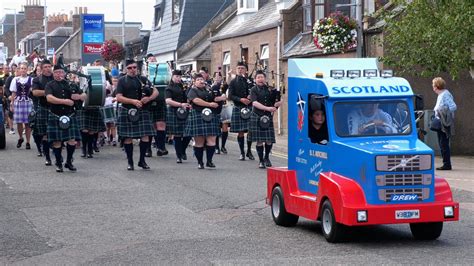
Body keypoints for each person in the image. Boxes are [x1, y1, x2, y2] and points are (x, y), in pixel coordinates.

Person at [116, 59, 158, 170]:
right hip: (128, 110)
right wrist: (133, 101)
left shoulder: (143, 79)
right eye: (130, 68)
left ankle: (142, 160)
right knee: (128, 137)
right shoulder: (121, 81)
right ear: (126, 69)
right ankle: (130, 162)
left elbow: (156, 91)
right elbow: (119, 97)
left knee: (145, 136)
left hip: (143, 111)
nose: (132, 70)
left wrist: (148, 98)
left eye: (134, 67)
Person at [45, 65, 85, 172]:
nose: (59, 74)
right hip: (56, 115)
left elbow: (83, 94)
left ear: (64, 73)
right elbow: (49, 98)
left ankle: (68, 162)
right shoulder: (50, 85)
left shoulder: (71, 84)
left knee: (72, 141)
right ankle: (58, 163)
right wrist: (64, 101)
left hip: (70, 115)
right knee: (57, 142)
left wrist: (81, 97)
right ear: (53, 74)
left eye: (61, 72)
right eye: (57, 72)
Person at [184, 73, 220, 169]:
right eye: (198, 79)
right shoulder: (192, 90)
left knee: (212, 140)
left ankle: (209, 161)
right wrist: (210, 104)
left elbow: (215, 98)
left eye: (202, 79)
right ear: (194, 82)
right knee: (199, 142)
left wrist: (221, 97)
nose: (201, 81)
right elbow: (195, 100)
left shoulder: (208, 89)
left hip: (210, 116)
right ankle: (200, 162)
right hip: (198, 115)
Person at [248, 70, 282, 168]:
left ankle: (266, 157)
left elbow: (275, 101)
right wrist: (267, 108)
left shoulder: (270, 89)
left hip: (268, 117)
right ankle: (261, 160)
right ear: (255, 79)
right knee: (259, 141)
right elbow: (254, 103)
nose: (260, 79)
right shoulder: (253, 89)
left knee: (269, 140)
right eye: (258, 77)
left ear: (265, 78)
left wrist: (278, 103)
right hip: (257, 116)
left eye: (262, 77)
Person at [228, 61, 254, 161]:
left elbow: (255, 92)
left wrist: (251, 97)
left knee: (250, 131)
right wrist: (241, 99)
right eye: (238, 68)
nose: (240, 70)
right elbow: (230, 96)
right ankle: (242, 152)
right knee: (241, 132)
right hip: (239, 107)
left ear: (246, 70)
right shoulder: (233, 82)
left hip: (249, 107)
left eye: (242, 68)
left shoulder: (250, 81)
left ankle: (249, 151)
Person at [165, 70, 192, 163]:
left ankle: (182, 150)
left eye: (180, 77)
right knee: (177, 135)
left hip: (184, 111)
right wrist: (181, 104)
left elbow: (186, 99)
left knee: (188, 134)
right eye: (176, 76)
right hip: (174, 111)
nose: (178, 78)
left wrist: (188, 104)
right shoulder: (169, 87)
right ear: (172, 76)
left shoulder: (182, 86)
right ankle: (178, 156)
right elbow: (168, 101)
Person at [32, 59, 54, 165]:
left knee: (56, 134)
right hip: (43, 108)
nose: (47, 68)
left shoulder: (56, 78)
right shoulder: (37, 80)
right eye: (45, 67)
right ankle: (47, 157)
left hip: (56, 108)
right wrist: (49, 92)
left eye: (49, 66)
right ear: (41, 68)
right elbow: (35, 92)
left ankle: (56, 153)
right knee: (45, 134)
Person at [432, 77, 456, 170]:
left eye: (433, 85)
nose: (433, 87)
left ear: (436, 86)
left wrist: (442, 111)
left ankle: (447, 164)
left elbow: (453, 106)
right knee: (442, 143)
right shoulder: (441, 94)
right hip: (440, 121)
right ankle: (445, 163)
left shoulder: (445, 94)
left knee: (444, 143)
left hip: (444, 122)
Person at [146, 55, 168, 157]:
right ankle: (148, 149)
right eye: (150, 60)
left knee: (161, 125)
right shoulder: (143, 73)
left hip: (160, 101)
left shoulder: (162, 72)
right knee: (150, 126)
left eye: (154, 59)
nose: (152, 61)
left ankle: (161, 148)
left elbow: (166, 83)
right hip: (148, 103)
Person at [9, 62, 33, 149]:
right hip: (18, 102)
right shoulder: (15, 79)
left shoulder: (31, 79)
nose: (23, 70)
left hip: (27, 102)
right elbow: (13, 93)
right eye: (21, 68)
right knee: (19, 122)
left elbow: (33, 91)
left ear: (27, 70)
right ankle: (20, 138)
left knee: (27, 123)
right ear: (19, 69)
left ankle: (28, 142)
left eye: (24, 68)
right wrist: (11, 104)